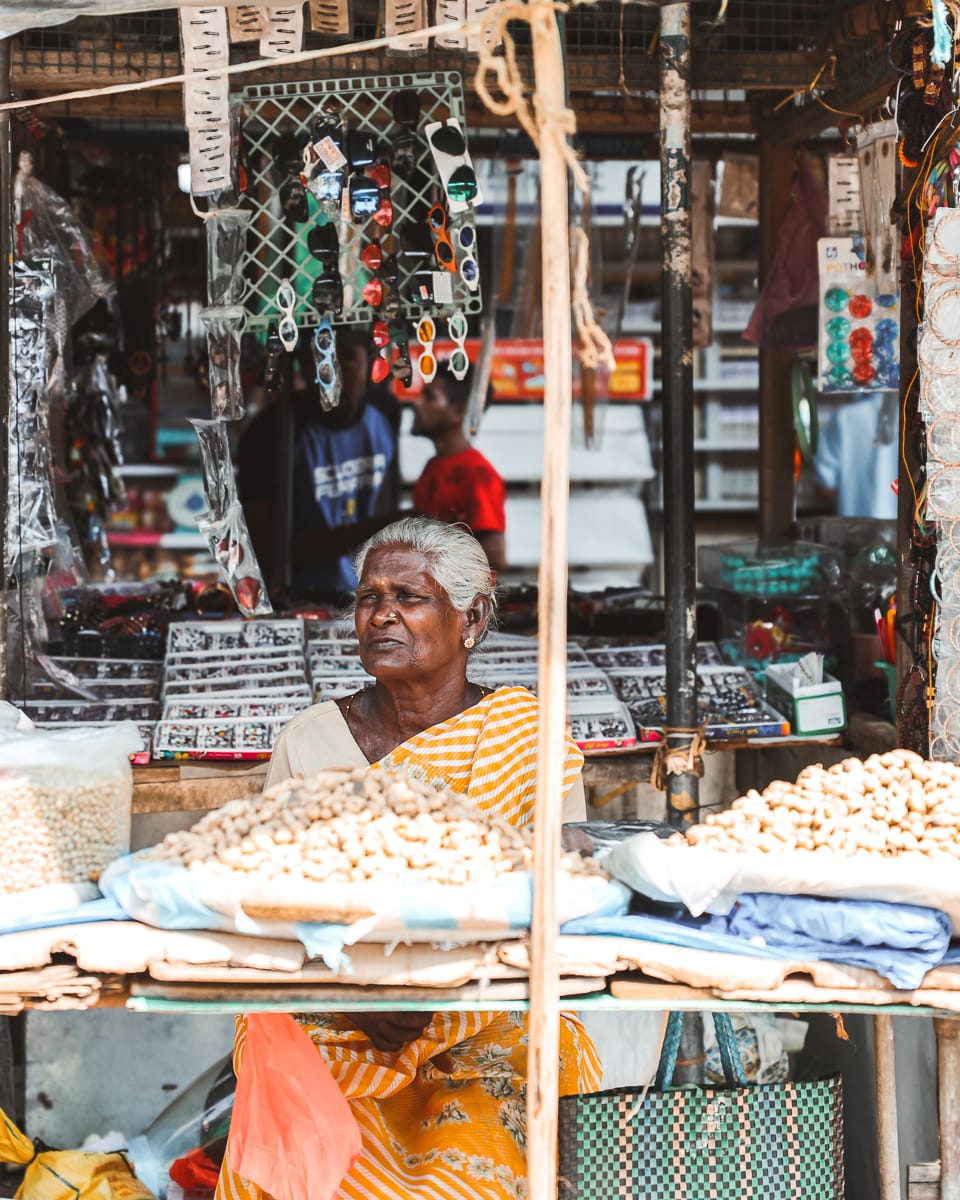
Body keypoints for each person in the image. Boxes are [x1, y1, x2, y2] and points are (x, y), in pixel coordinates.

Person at [215, 516, 598, 1200]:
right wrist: (360, 995)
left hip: (483, 1006)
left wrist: (441, 983)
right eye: (368, 598)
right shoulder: (312, 741)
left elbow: (560, 899)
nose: (381, 614)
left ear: (470, 618)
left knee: (499, 1106)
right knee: (314, 1129)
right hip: (333, 1006)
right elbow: (263, 899)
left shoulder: (523, 738)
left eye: (408, 597)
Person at [237, 329, 400, 595]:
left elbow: (383, 504)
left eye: (347, 359)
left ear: (370, 361)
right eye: (321, 360)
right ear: (304, 365)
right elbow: (271, 551)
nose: (333, 376)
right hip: (297, 598)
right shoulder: (271, 431)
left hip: (366, 592)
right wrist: (383, 526)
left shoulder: (384, 414)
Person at [410, 366, 508, 572]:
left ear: (458, 412)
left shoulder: (476, 473)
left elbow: (494, 555)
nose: (416, 403)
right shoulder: (434, 465)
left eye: (429, 397)